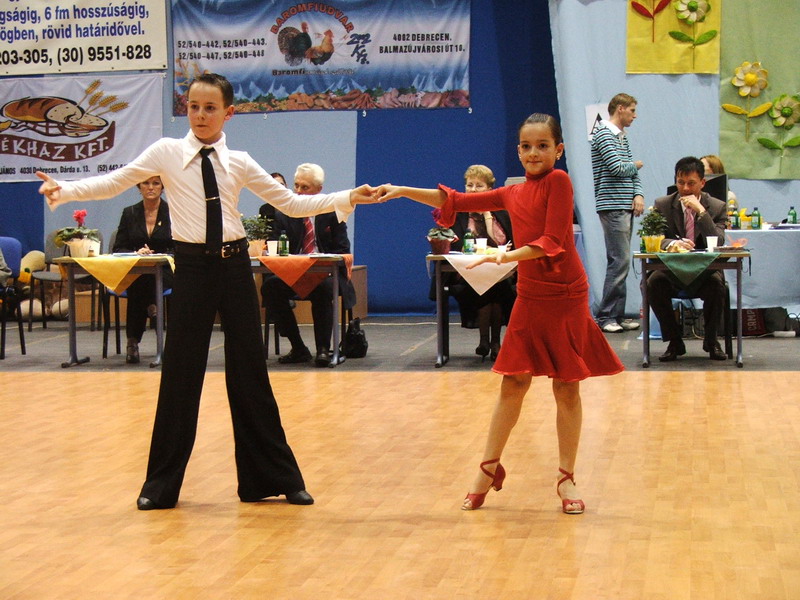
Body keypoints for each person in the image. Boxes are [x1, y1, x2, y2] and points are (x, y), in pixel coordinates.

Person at [36, 72, 382, 510]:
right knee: (180, 375)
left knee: (250, 372)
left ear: (228, 113)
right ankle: (159, 487)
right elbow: (115, 180)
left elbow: (292, 203)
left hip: (234, 269)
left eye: (210, 108)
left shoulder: (239, 161)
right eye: (194, 107)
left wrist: (347, 196)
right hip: (193, 269)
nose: (200, 115)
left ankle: (273, 479)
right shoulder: (166, 152)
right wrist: (65, 190)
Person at [378, 113, 624, 514]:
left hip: (565, 295)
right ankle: (488, 467)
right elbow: (455, 200)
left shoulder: (559, 182)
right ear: (518, 150)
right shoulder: (512, 193)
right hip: (531, 294)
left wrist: (503, 256)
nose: (533, 153)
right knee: (513, 382)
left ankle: (566, 478)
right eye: (526, 146)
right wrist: (402, 190)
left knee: (567, 386)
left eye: (543, 146)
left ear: (559, 150)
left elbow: (552, 240)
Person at [260, 163, 356, 367]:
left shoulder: (333, 213)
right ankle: (298, 348)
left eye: (305, 187)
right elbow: (275, 246)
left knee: (323, 288)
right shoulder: (284, 213)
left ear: (319, 190)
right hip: (294, 273)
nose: (298, 191)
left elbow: (343, 249)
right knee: (270, 286)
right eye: (296, 186)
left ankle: (323, 349)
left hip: (326, 275)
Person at [648, 156, 728, 362]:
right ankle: (675, 341)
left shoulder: (717, 207)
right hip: (672, 270)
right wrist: (673, 244)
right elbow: (654, 236)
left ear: (702, 182)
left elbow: (718, 241)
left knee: (717, 286)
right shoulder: (663, 204)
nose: (685, 188)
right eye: (680, 182)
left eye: (691, 183)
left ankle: (711, 341)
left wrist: (701, 212)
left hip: (705, 271)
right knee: (652, 283)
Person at [439, 165, 516, 360]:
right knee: (488, 288)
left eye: (478, 186)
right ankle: (490, 342)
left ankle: (491, 342)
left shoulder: (502, 213)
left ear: (490, 189)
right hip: (466, 273)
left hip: (500, 271)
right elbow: (454, 243)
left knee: (497, 286)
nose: (472, 190)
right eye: (469, 185)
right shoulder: (457, 213)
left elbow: (508, 242)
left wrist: (487, 214)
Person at [591, 92, 644, 333]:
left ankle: (617, 315)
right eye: (632, 110)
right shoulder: (603, 134)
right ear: (620, 108)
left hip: (624, 204)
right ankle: (605, 316)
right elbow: (617, 168)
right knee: (618, 261)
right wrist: (637, 165)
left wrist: (638, 194)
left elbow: (631, 174)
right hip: (612, 205)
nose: (635, 115)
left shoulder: (622, 137)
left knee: (621, 261)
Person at [112, 176, 174, 364]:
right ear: (139, 187)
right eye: (145, 183)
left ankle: (132, 342)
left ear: (162, 187)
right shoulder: (129, 213)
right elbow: (118, 248)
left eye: (156, 183)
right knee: (140, 278)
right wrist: (136, 253)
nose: (150, 187)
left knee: (143, 282)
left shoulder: (173, 212)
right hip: (137, 270)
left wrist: (160, 256)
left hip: (166, 270)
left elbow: (180, 246)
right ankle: (152, 307)